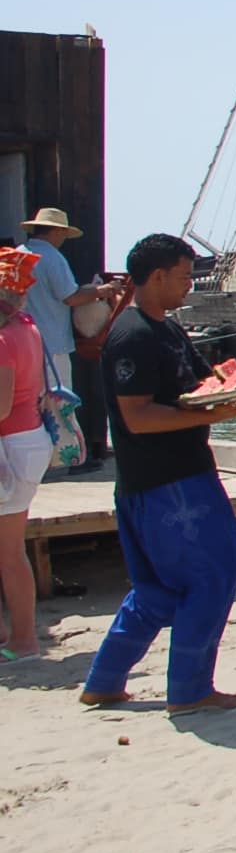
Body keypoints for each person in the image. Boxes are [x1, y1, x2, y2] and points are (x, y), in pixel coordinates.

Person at [79, 233, 236, 713]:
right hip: (169, 483)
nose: (191, 285)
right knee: (213, 576)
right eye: (186, 276)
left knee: (156, 591)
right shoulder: (132, 336)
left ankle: (104, 680)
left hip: (159, 483)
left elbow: (218, 392)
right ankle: (190, 691)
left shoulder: (167, 331)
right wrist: (213, 418)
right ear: (157, 277)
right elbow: (138, 417)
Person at [19, 208, 121, 474]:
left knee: (28, 406)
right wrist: (101, 291)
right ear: (56, 231)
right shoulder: (52, 258)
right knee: (60, 405)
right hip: (52, 344)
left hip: (21, 344)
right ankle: (65, 462)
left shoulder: (20, 254)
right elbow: (70, 297)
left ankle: (32, 464)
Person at [0, 250, 62, 660]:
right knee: (10, 549)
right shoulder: (27, 325)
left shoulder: (3, 338)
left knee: (8, 552)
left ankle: (22, 639)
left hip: (11, 443)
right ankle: (18, 637)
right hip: (30, 439)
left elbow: (0, 406)